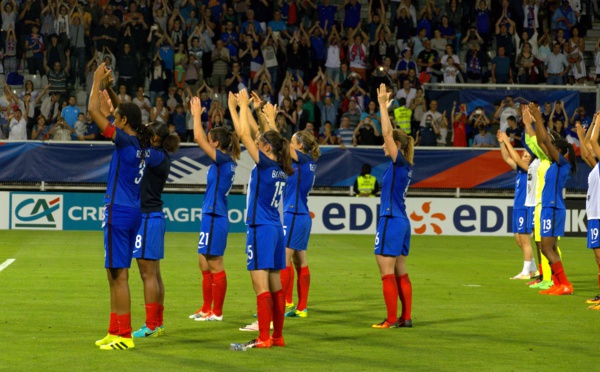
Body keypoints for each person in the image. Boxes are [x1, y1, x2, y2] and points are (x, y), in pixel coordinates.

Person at [89, 63, 154, 351]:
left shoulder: (125, 141)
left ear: (124, 122)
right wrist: (111, 90)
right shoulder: (142, 140)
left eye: (116, 117)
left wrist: (95, 82)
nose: (111, 116)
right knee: (113, 273)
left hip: (119, 210)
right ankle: (114, 329)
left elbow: (93, 112)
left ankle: (124, 335)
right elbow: (128, 114)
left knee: (120, 275)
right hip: (133, 211)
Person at [229, 90, 293, 350]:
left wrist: (243, 106)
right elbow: (267, 138)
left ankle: (264, 337)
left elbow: (245, 135)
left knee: (261, 286)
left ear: (266, 148)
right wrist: (263, 116)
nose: (257, 141)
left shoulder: (266, 164)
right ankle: (277, 336)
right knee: (276, 286)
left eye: (261, 142)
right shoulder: (281, 166)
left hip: (260, 228)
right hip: (276, 229)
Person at [188, 96, 240, 322]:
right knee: (203, 261)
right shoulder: (223, 161)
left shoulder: (223, 161)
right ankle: (205, 307)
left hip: (215, 215)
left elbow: (198, 137)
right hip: (210, 215)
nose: (207, 143)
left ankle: (216, 312)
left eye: (211, 141)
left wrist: (197, 115)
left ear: (216, 144)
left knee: (215, 263)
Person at [131, 121, 181, 338]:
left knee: (147, 273)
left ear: (155, 139)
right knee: (154, 274)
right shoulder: (157, 154)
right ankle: (157, 323)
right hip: (152, 217)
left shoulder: (156, 155)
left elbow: (133, 142)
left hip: (148, 217)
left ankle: (151, 325)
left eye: (148, 130)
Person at [371, 83, 413, 329]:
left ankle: (390, 319)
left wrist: (381, 108)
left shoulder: (399, 164)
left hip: (390, 219)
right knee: (400, 270)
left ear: (395, 145)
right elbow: (387, 136)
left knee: (385, 269)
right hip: (402, 220)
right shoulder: (404, 165)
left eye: (387, 144)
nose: (383, 145)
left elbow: (388, 134)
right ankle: (405, 317)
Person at [528, 103, 577, 295]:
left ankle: (565, 284)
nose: (547, 151)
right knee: (551, 248)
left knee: (547, 248)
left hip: (552, 207)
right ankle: (559, 283)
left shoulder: (562, 163)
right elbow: (542, 142)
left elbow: (546, 143)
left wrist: (539, 118)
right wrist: (534, 121)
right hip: (551, 207)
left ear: (559, 151)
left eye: (551, 150)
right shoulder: (555, 164)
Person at [280, 127, 320, 318]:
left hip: (294, 214)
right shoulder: (306, 162)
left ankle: (279, 304)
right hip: (301, 215)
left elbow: (281, 146)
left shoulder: (303, 159)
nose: (289, 143)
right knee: (300, 261)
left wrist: (271, 120)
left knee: (283, 260)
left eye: (293, 140)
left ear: (300, 146)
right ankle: (301, 307)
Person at [497, 131, 536, 279]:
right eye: (524, 155)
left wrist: (508, 141)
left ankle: (526, 272)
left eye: (528, 156)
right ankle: (532, 268)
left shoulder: (531, 170)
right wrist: (502, 142)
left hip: (526, 207)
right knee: (519, 241)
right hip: (518, 207)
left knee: (525, 241)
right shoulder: (520, 170)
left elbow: (513, 157)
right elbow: (507, 157)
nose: (525, 157)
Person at [579, 120, 600, 308]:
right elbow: (586, 147)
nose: (591, 151)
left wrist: (597, 121)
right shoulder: (595, 167)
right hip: (594, 216)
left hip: (599, 216)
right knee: (597, 257)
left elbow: (592, 141)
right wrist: (582, 132)